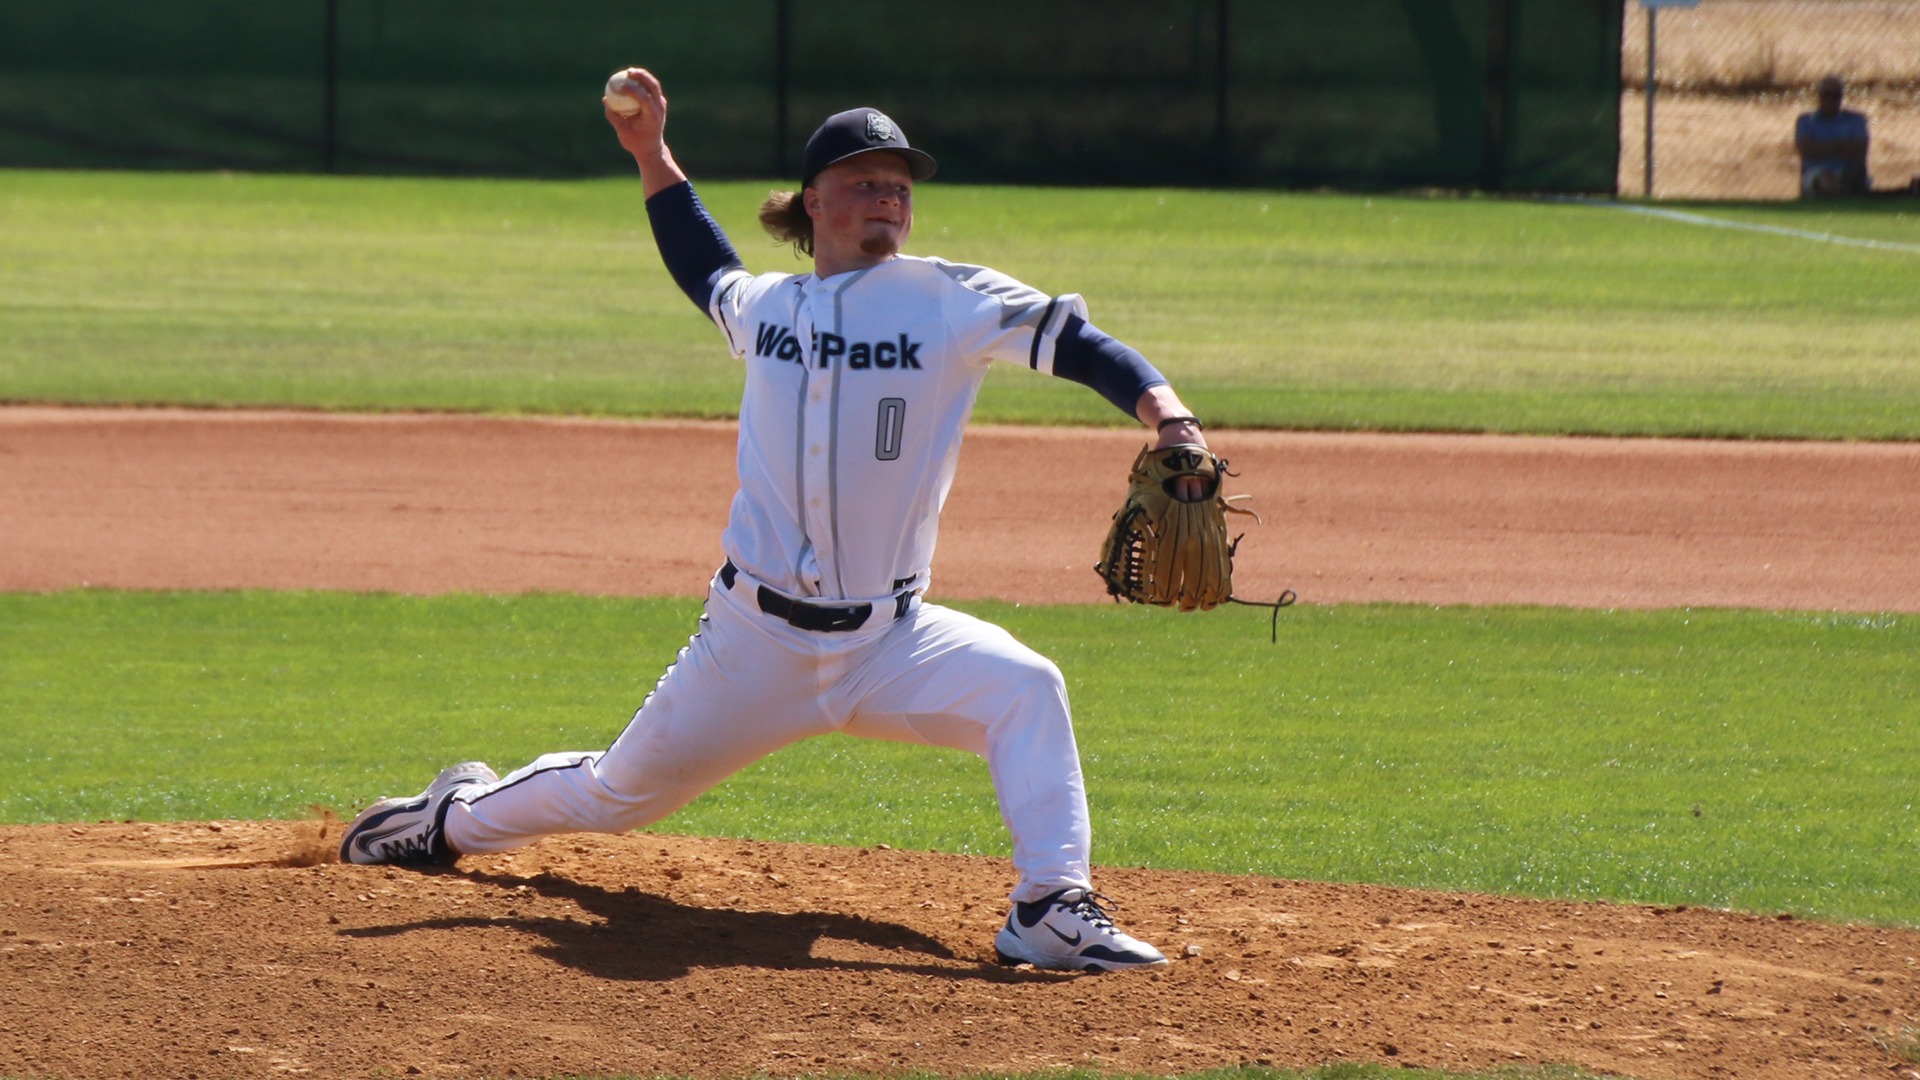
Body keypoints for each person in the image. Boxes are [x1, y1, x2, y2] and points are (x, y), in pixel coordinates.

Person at [338, 68, 1218, 974]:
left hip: (891, 642)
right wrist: (651, 154)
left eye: (900, 187)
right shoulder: (767, 310)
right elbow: (702, 264)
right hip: (751, 644)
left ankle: (1048, 905)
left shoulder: (952, 302)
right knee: (615, 793)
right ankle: (446, 821)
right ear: (816, 201)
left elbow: (1081, 344)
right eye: (867, 181)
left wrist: (1171, 419)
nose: (888, 198)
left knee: (1026, 687)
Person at [1795, 75, 1870, 197]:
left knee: (1852, 175)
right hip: (1815, 172)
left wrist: (1822, 148)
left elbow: (1860, 151)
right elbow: (1806, 150)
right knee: (1824, 179)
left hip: (1849, 172)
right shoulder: (1806, 121)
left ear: (1841, 97)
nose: (1831, 100)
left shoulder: (1856, 120)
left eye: (1836, 96)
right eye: (1826, 95)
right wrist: (1841, 145)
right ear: (1819, 96)